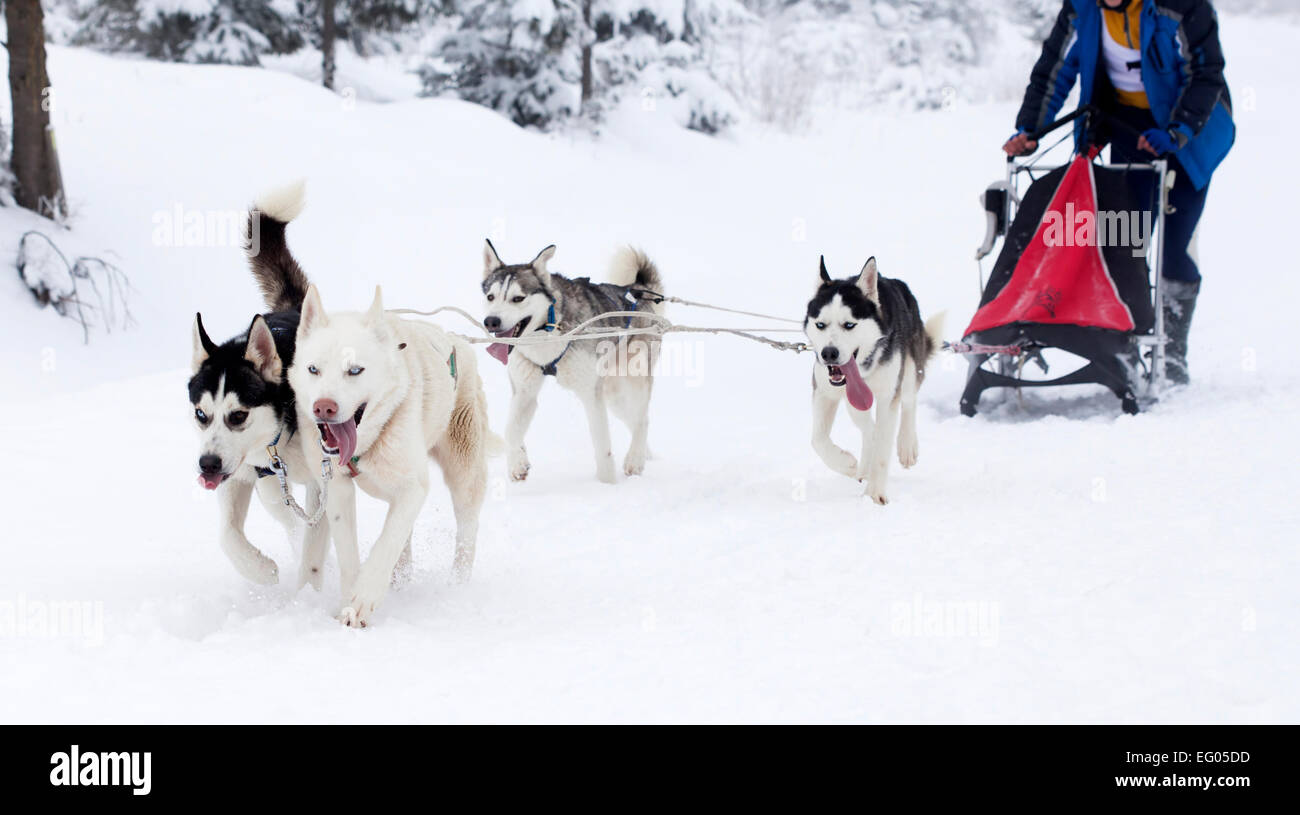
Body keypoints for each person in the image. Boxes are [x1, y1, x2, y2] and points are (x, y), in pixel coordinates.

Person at [1003, 0, 1234, 384]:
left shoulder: (1182, 6)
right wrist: (1030, 129)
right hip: (1130, 132)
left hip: (1192, 133)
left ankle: (1172, 350)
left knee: (1172, 249)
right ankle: (1127, 343)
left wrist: (1178, 131)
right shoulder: (1082, 8)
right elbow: (1054, 70)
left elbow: (1205, 74)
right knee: (1124, 241)